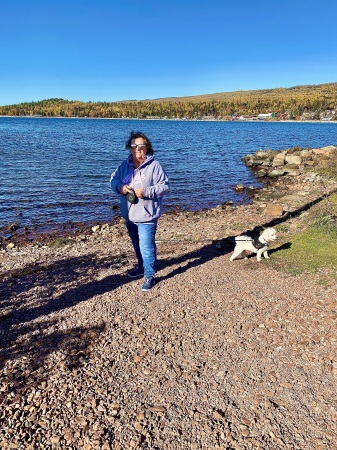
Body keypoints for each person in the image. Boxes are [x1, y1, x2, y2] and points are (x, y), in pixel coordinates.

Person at [110, 131, 169, 291]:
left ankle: (149, 275)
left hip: (147, 215)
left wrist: (147, 192)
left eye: (141, 146)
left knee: (146, 246)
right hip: (129, 215)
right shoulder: (124, 165)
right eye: (134, 146)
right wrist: (120, 187)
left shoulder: (154, 166)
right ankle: (142, 266)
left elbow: (164, 186)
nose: (137, 149)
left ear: (146, 147)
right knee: (137, 244)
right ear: (130, 148)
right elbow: (113, 180)